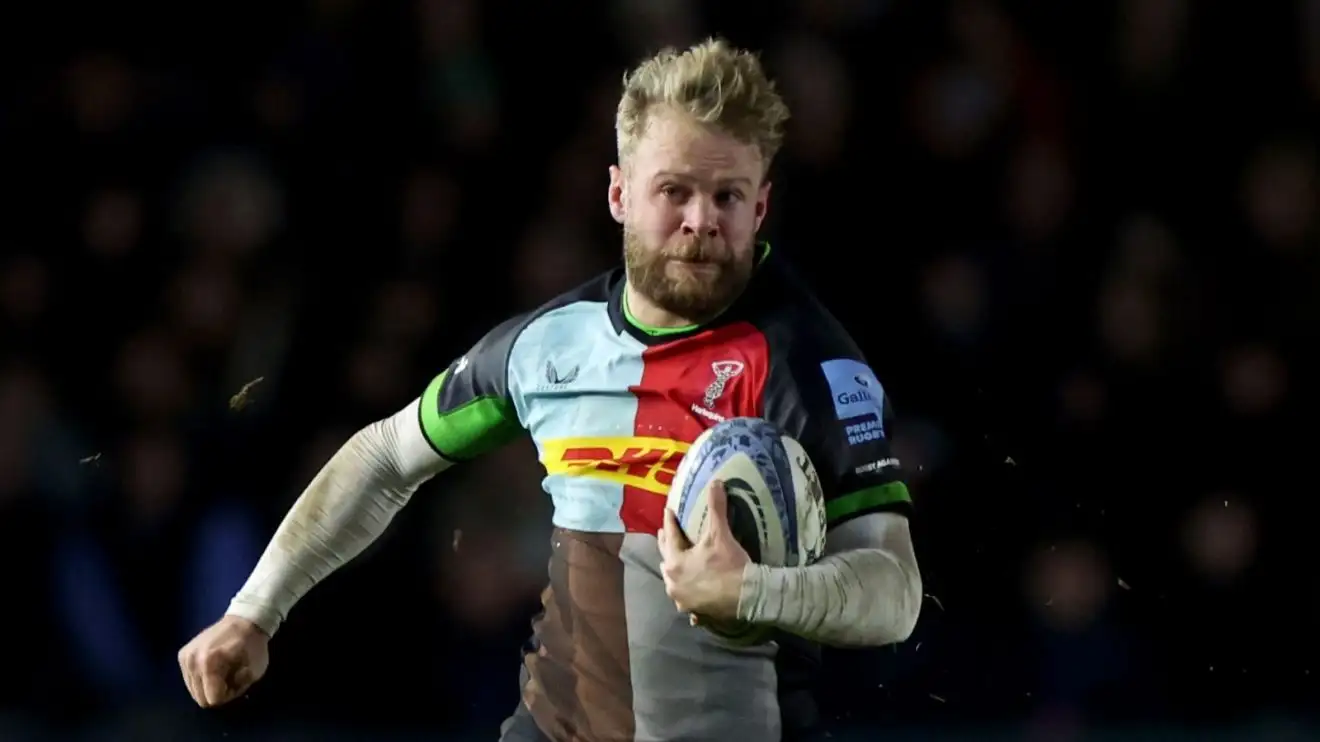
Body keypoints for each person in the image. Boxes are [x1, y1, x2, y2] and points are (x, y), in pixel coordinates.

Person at [177, 38, 923, 742]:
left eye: (729, 196)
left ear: (760, 207)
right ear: (619, 194)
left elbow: (894, 588)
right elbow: (384, 456)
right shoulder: (548, 347)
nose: (702, 221)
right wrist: (254, 612)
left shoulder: (810, 366)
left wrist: (753, 592)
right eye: (676, 192)